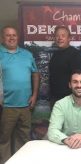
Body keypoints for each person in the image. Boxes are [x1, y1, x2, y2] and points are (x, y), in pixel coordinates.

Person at [0, 26, 40, 163]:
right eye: (7, 35)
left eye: (14, 35)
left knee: (23, 139)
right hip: (6, 106)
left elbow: (35, 74)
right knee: (4, 139)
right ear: (2, 38)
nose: (11, 38)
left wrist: (34, 95)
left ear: (18, 37)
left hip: (26, 105)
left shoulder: (27, 54)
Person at [49, 26, 81, 108]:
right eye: (57, 36)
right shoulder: (55, 55)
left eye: (63, 36)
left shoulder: (77, 55)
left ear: (69, 38)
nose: (60, 38)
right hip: (55, 98)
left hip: (70, 100)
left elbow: (80, 81)